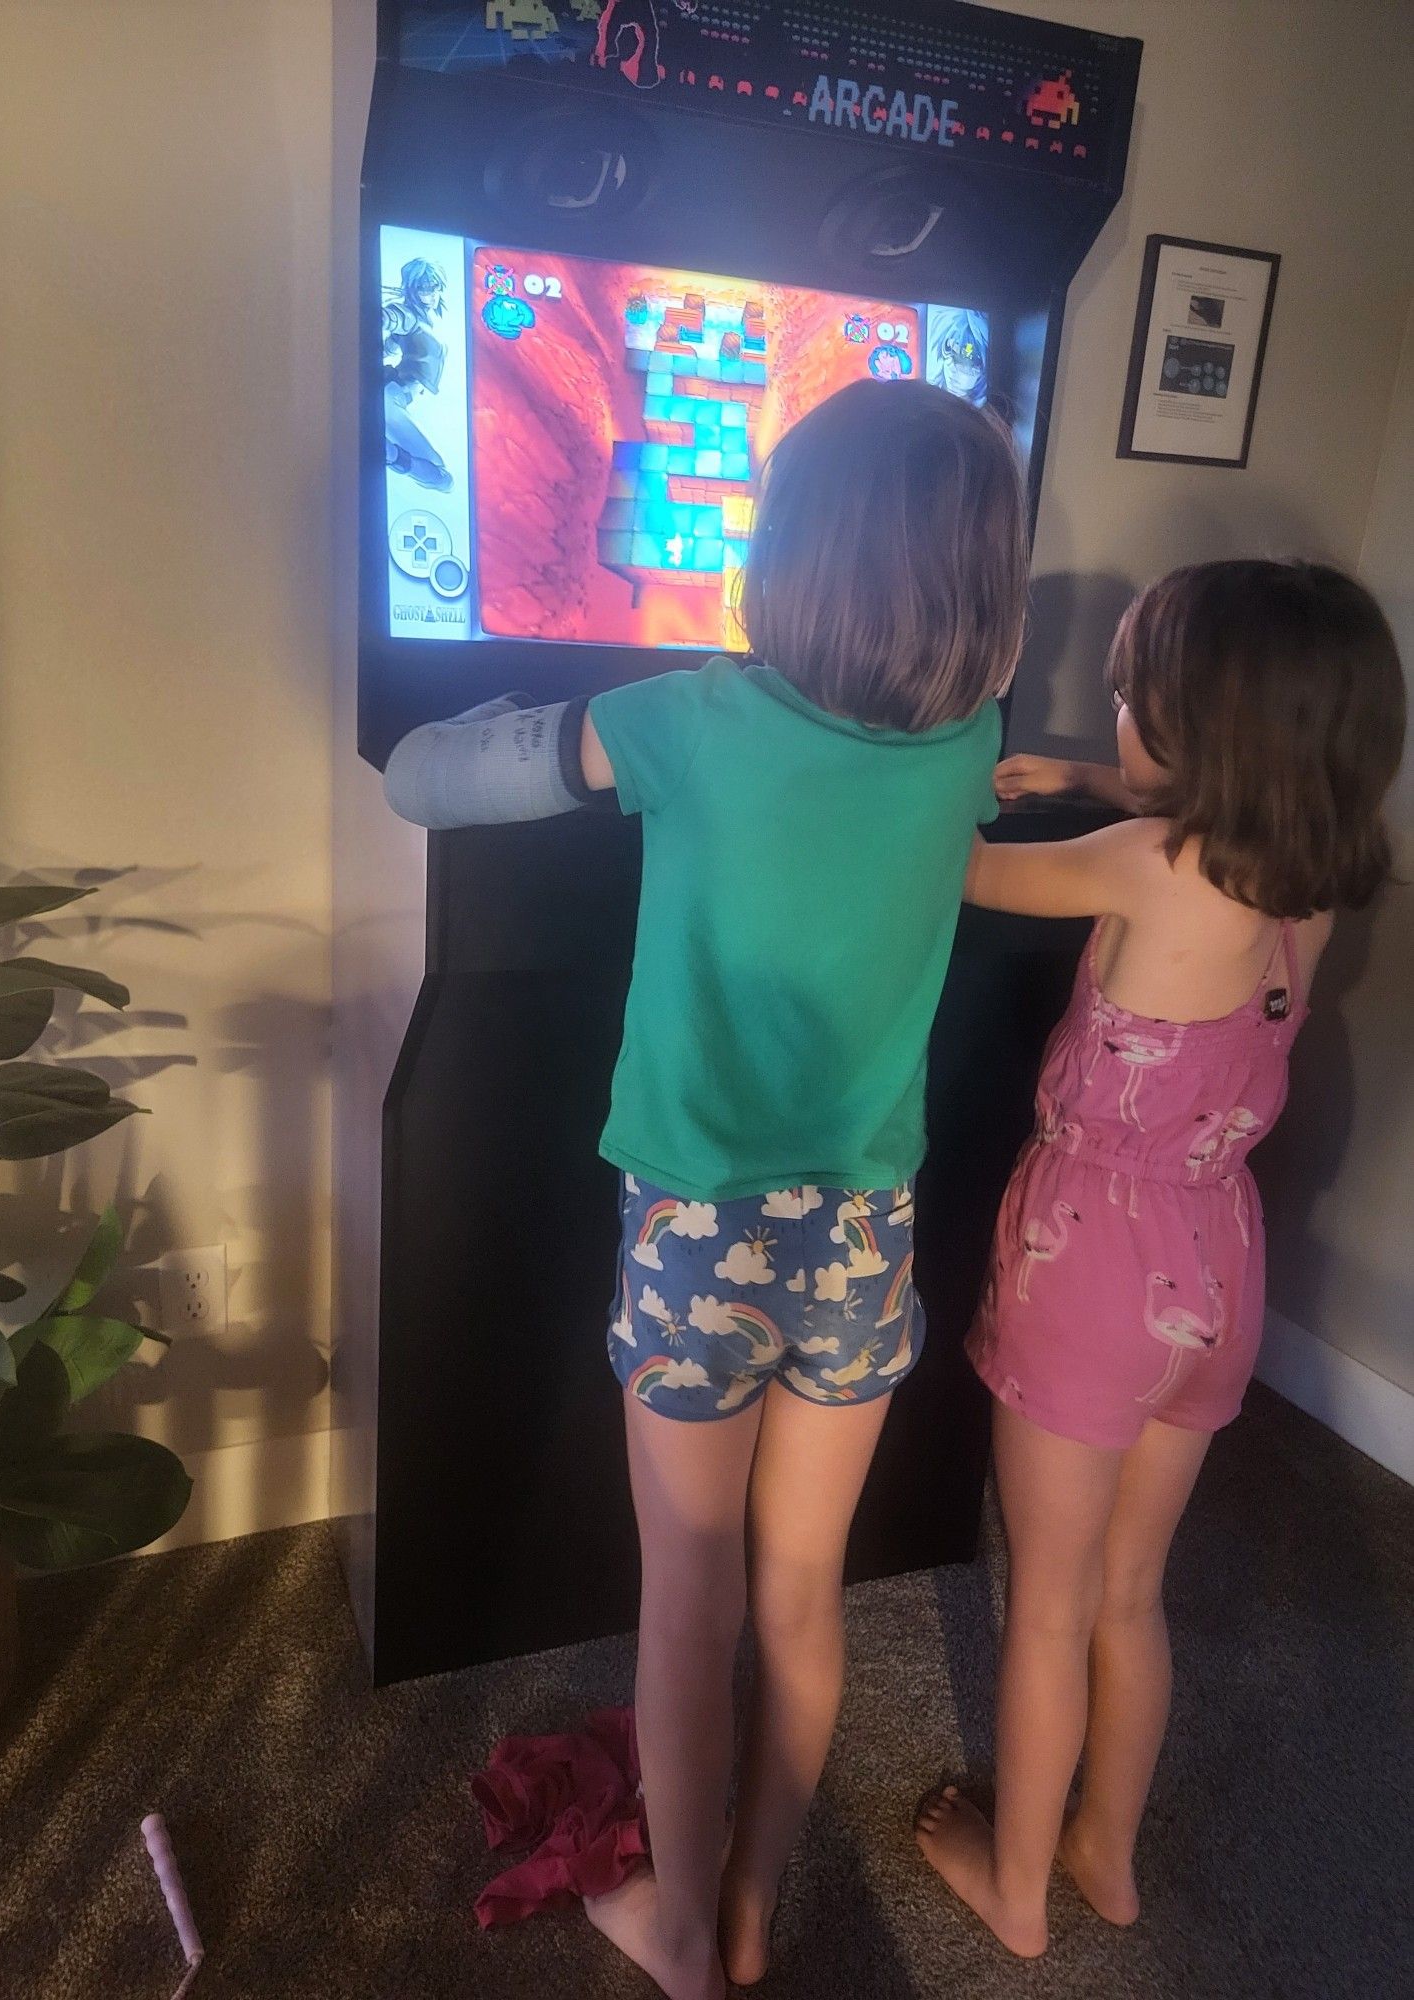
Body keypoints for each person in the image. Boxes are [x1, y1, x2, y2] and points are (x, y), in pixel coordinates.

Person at [382, 379, 1030, 1998]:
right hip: (862, 1246)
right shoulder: (971, 742)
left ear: (785, 557)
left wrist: (456, 727)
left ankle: (676, 1935)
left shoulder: (685, 718)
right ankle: (749, 1899)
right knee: (802, 1598)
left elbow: (429, 782)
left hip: (699, 1241)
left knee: (689, 1599)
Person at [916, 559, 1406, 1957]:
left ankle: (1012, 1893)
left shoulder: (1139, 863)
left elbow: (956, 869)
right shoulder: (1311, 879)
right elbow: (1182, 810)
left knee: (1050, 1606)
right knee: (1133, 1595)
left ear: (1200, 732)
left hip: (1089, 1266)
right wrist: (1086, 762)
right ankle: (1106, 1861)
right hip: (1217, 1257)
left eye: (1134, 696)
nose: (1117, 709)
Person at [383, 256, 453, 492]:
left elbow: (388, 347)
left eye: (435, 288)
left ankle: (390, 454)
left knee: (441, 478)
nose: (432, 294)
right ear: (413, 290)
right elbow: (394, 318)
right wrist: (382, 316)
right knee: (442, 479)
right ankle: (389, 454)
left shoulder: (428, 320)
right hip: (393, 395)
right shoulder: (409, 316)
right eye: (425, 288)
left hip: (400, 397)